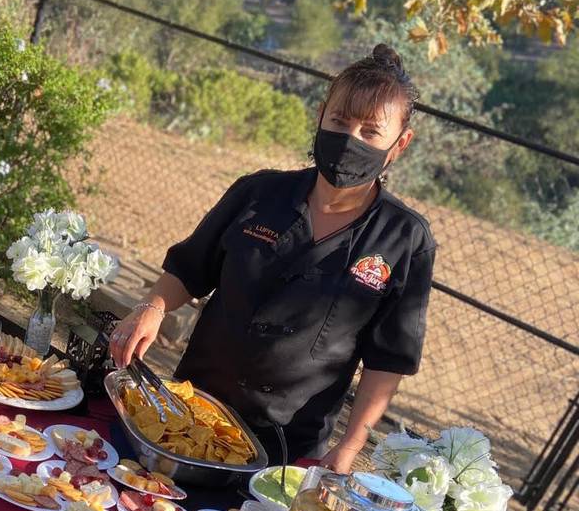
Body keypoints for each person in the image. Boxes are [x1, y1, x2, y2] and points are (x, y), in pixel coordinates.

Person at [109, 44, 436, 473]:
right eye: (339, 121)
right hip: (188, 414)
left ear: (399, 143)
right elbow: (190, 268)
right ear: (321, 115)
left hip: (287, 449)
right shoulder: (258, 193)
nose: (350, 138)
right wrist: (150, 309)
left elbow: (386, 360)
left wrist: (350, 447)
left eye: (370, 131)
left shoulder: (404, 238)